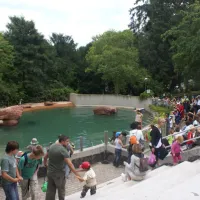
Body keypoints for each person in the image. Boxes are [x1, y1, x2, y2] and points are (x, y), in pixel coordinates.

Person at [45, 135, 80, 200]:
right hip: (59, 174)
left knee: (50, 191)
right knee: (61, 190)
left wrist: (45, 164)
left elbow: (45, 157)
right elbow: (70, 164)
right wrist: (78, 175)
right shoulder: (63, 150)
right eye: (67, 141)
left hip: (50, 173)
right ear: (62, 141)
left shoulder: (52, 146)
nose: (68, 143)